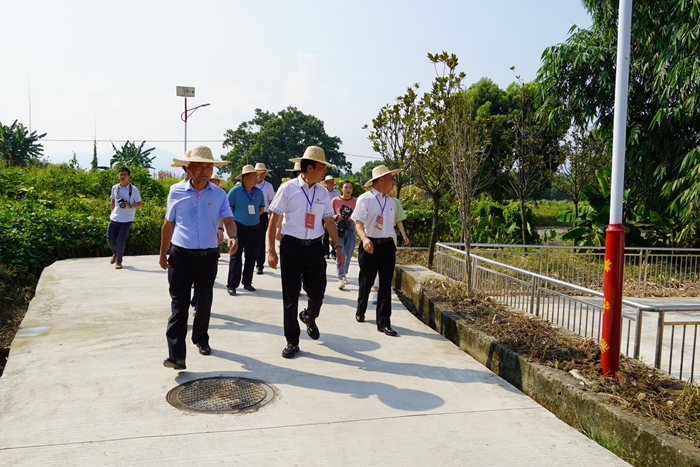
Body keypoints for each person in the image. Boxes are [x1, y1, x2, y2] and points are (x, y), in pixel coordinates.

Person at [159, 146, 238, 370]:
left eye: (209, 166)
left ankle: (201, 338)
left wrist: (232, 236)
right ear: (189, 168)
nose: (205, 171)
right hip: (180, 255)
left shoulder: (219, 194)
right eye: (200, 166)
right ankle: (176, 355)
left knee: (203, 302)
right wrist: (163, 251)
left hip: (208, 256)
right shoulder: (176, 191)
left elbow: (229, 220)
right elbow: (169, 224)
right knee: (179, 305)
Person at [267, 146, 345, 358]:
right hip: (291, 246)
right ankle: (292, 340)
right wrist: (271, 250)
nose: (324, 172)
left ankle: (309, 317)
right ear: (310, 168)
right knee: (290, 296)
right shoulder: (288, 188)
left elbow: (329, 221)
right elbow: (273, 219)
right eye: (322, 168)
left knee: (318, 292)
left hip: (314, 248)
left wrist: (338, 247)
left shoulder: (322, 192)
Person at [351, 164, 401, 336]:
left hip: (387, 246)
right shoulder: (365, 199)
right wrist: (364, 239)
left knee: (385, 285)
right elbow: (358, 222)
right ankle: (361, 309)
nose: (393, 183)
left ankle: (384, 322)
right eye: (390, 179)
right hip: (370, 245)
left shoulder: (391, 201)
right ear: (381, 180)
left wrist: (394, 245)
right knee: (366, 282)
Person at [226, 165, 265, 296]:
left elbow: (261, 209)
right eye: (253, 177)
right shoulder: (234, 192)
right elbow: (228, 208)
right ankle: (232, 284)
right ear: (245, 178)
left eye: (257, 176)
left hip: (254, 229)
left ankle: (247, 282)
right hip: (238, 228)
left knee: (251, 256)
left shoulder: (259, 192)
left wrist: (251, 218)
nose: (256, 179)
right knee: (236, 256)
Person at [370, 196, 410, 303]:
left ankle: (379, 291)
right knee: (375, 264)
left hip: (390, 236)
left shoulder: (395, 202)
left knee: (386, 266)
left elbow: (399, 220)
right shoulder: (373, 199)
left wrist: (404, 235)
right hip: (375, 235)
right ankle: (374, 290)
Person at [108, 167, 143, 269]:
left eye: (125, 174)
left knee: (120, 240)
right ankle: (115, 252)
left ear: (129, 176)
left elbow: (140, 204)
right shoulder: (115, 188)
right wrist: (112, 213)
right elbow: (113, 201)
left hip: (127, 219)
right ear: (118, 175)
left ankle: (119, 261)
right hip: (115, 217)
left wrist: (130, 206)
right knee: (110, 240)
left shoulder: (134, 190)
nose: (122, 176)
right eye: (121, 174)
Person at [331, 180, 357, 290]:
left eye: (350, 187)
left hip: (350, 227)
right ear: (342, 188)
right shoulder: (335, 200)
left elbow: (359, 214)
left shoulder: (356, 201)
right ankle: (340, 277)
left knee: (349, 254)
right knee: (340, 252)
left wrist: (352, 218)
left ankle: (344, 273)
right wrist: (337, 216)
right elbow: (329, 214)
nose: (348, 190)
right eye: (346, 187)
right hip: (339, 228)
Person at [254, 162, 276, 275]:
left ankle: (260, 264)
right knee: (251, 239)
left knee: (261, 239)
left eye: (263, 173)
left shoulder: (268, 186)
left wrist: (272, 218)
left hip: (263, 215)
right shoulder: (251, 184)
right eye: (259, 173)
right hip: (251, 214)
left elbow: (271, 203)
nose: (262, 175)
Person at [321, 175, 341, 259]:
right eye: (329, 182)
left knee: (334, 233)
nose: (331, 184)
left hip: (334, 215)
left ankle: (334, 251)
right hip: (324, 215)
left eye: (332, 182)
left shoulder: (337, 192)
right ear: (326, 183)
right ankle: (326, 252)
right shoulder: (322, 192)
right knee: (325, 235)